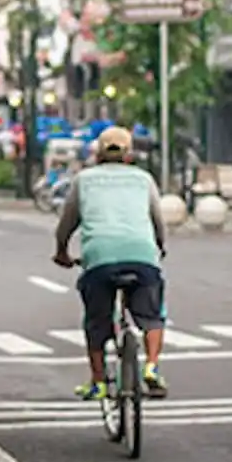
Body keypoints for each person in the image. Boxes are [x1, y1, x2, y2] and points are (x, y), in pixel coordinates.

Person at [52, 126, 170, 400]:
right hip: (142, 255)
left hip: (99, 258)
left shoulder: (84, 180)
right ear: (129, 154)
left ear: (98, 154)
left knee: (96, 321)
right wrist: (159, 247)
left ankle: (98, 382)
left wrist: (62, 252)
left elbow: (67, 223)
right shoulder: (144, 179)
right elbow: (158, 221)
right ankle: (152, 367)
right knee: (153, 316)